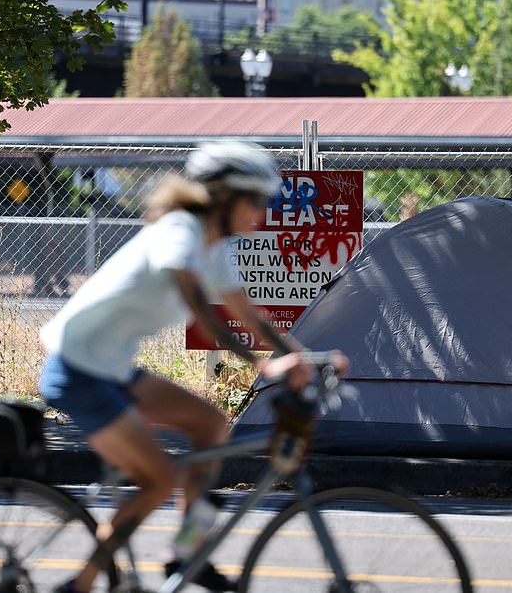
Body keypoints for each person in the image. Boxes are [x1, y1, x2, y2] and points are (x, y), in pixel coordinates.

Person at [38, 141, 346, 593]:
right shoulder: (180, 230)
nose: (261, 213)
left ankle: (187, 551)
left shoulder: (215, 246)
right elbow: (196, 300)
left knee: (211, 424)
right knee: (158, 480)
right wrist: (262, 364)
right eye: (256, 201)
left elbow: (249, 316)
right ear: (225, 197)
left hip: (112, 369)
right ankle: (79, 585)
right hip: (78, 370)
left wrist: (304, 356)